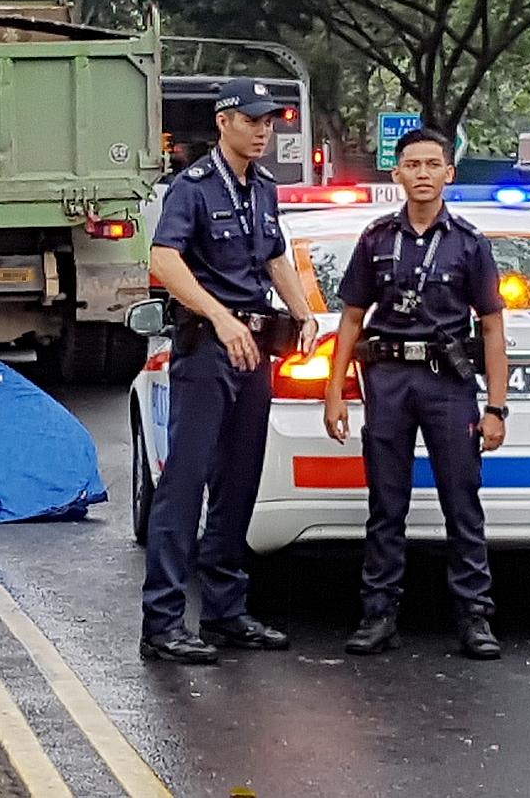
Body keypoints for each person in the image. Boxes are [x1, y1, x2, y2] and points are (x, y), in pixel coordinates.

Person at [141, 77, 319, 664]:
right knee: (185, 482)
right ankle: (163, 623)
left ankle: (224, 611)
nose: (264, 130)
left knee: (239, 481)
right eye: (252, 119)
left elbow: (273, 255)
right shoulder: (191, 188)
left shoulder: (262, 188)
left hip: (256, 345)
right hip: (209, 345)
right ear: (224, 122)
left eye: (270, 120)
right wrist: (220, 318)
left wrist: (302, 311)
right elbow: (164, 259)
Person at [324, 127, 509, 660]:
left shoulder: (469, 243)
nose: (423, 174)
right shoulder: (377, 238)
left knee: (461, 500)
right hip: (388, 381)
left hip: (448, 383)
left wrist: (496, 406)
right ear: (397, 173)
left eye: (433, 165)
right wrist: (335, 393)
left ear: (449, 174)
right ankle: (378, 613)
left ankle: (474, 616)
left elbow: (493, 328)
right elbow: (353, 319)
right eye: (413, 165)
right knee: (386, 502)